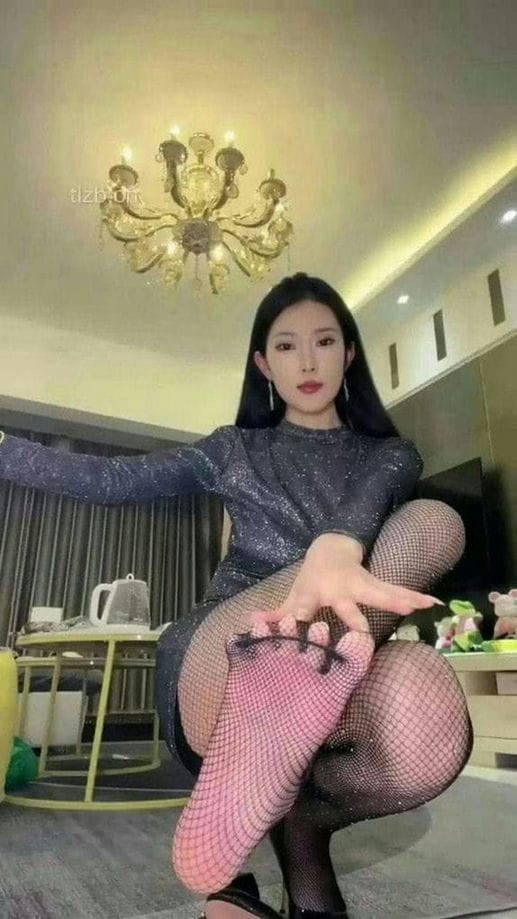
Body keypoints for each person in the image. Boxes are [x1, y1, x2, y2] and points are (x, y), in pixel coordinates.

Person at [0, 273, 471, 919]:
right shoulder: (233, 449)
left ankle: (292, 814)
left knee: (433, 531)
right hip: (225, 653)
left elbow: (373, 503)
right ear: (263, 364)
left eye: (323, 341)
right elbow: (110, 478)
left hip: (342, 666)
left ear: (348, 353)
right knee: (428, 524)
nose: (307, 362)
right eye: (286, 346)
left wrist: (335, 549)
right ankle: (268, 719)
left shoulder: (391, 455)